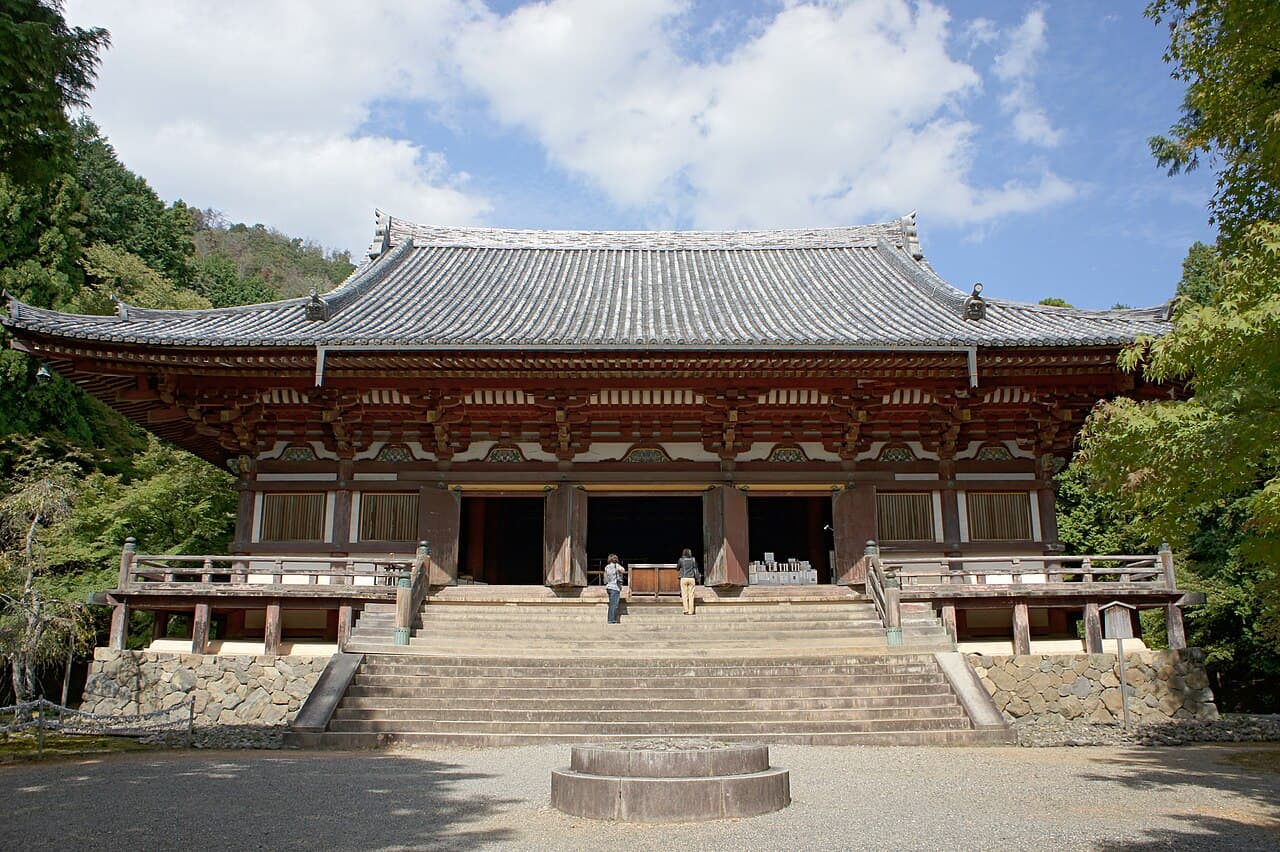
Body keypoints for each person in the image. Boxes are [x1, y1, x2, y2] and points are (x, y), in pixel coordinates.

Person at [677, 548, 701, 615]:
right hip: (691, 578)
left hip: (683, 578)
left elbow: (677, 568)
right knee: (691, 595)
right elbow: (696, 568)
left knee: (684, 595)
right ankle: (691, 611)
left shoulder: (681, 560)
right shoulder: (693, 559)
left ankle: (686, 610)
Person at [604, 553, 626, 624]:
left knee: (611, 604)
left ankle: (610, 619)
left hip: (608, 587)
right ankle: (612, 620)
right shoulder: (616, 566)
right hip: (615, 587)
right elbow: (623, 570)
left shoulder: (607, 567)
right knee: (614, 605)